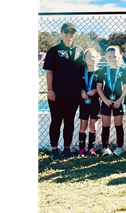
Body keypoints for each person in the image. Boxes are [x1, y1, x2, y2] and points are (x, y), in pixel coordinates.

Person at [44, 22, 85, 162]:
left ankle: (67, 148)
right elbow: (49, 71)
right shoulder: (54, 51)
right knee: (56, 121)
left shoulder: (80, 50)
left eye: (72, 31)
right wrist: (50, 90)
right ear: (61, 33)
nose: (69, 34)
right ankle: (54, 149)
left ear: (75, 33)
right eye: (66, 31)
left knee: (69, 122)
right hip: (57, 94)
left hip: (73, 94)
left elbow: (82, 72)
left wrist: (81, 89)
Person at [96, 46, 126, 156]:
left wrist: (120, 100)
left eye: (114, 56)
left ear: (119, 57)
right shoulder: (103, 71)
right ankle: (105, 148)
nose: (112, 58)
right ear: (106, 57)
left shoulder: (123, 72)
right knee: (106, 125)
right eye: (110, 56)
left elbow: (125, 88)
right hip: (106, 102)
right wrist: (104, 100)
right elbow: (99, 87)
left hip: (118, 102)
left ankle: (119, 148)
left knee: (118, 125)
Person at [78, 48, 100, 157]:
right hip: (84, 103)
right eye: (88, 57)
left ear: (97, 58)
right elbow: (79, 86)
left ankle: (91, 148)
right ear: (85, 59)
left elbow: (102, 88)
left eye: (93, 56)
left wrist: (95, 90)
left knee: (93, 124)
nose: (91, 59)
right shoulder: (82, 71)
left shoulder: (100, 72)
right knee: (83, 124)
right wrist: (82, 92)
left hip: (95, 103)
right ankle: (81, 149)